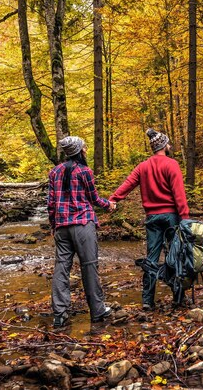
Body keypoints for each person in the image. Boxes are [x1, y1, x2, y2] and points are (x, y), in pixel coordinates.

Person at [109, 128, 189, 310]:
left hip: (152, 218)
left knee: (151, 259)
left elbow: (128, 184)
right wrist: (185, 218)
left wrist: (114, 198)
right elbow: (179, 195)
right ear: (163, 145)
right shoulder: (171, 164)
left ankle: (147, 301)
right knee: (175, 256)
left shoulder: (142, 166)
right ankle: (178, 298)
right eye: (168, 143)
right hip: (171, 217)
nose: (170, 145)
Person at [47, 136, 114, 327]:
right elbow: (93, 198)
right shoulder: (85, 171)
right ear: (79, 151)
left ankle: (60, 314)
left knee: (61, 267)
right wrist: (108, 205)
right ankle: (97, 311)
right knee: (89, 266)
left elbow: (50, 204)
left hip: (62, 227)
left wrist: (54, 225)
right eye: (84, 147)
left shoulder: (54, 172)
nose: (86, 149)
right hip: (83, 225)